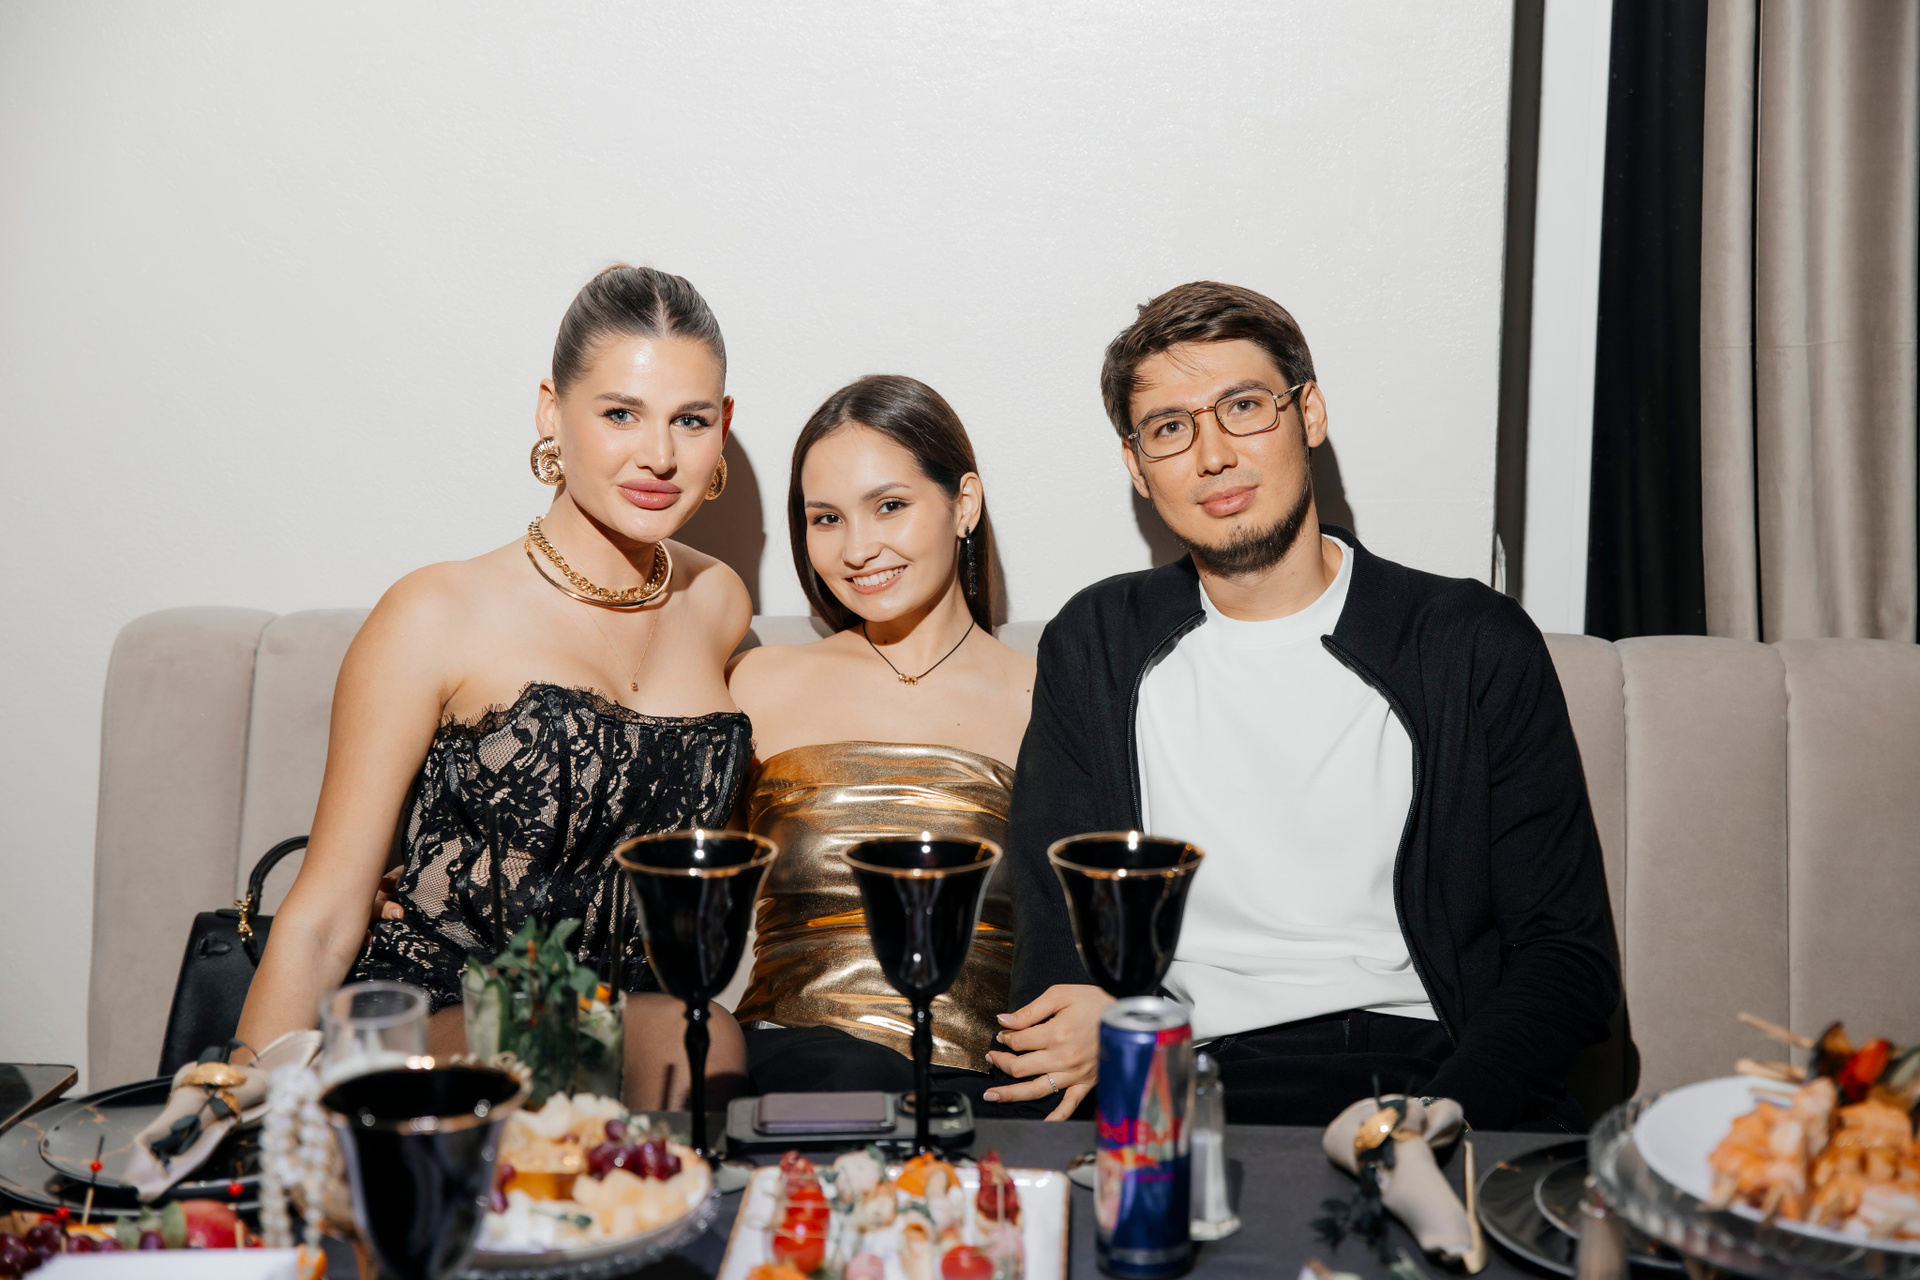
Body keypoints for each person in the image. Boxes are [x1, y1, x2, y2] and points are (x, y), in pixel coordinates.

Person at [990, 281, 1618, 1130]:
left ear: (1309, 413)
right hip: (1185, 1079)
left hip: (1428, 1071)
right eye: (1170, 428)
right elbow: (1057, 934)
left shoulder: (1467, 640)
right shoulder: (1098, 642)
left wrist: (1441, 1119)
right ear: (1137, 467)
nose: (1213, 455)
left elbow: (1565, 958)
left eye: (1244, 407)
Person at [233, 265, 754, 1109]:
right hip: (445, 1018)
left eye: (689, 421)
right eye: (620, 413)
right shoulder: (436, 612)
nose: (659, 455)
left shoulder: (719, 603)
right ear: (551, 411)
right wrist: (235, 1116)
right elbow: (322, 918)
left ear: (722, 427)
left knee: (701, 1036)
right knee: (570, 1030)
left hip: (633, 1036)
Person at [723, 375, 1036, 1097]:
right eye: (827, 518)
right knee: (846, 1071)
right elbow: (663, 880)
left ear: (964, 504)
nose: (858, 549)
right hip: (792, 1078)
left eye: (889, 506)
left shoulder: (1048, 697)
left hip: (980, 1091)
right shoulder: (758, 682)